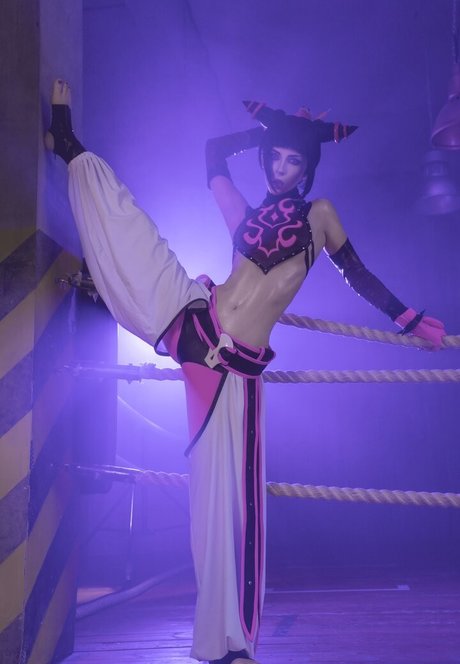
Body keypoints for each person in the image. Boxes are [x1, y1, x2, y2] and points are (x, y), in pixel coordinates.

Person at [46, 80, 445, 664]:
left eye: (292, 160)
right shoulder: (244, 213)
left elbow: (356, 273)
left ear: (307, 167)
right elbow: (213, 152)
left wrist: (408, 318)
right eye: (274, 157)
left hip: (230, 372)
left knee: (223, 510)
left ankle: (227, 644)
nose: (281, 168)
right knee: (134, 233)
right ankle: (71, 150)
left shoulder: (319, 215)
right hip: (192, 318)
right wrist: (268, 129)